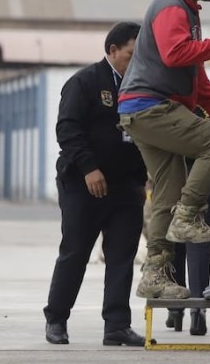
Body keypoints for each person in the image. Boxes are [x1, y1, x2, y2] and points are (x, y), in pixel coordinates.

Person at [118, 0, 210, 300]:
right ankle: (187, 218)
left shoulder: (184, 9)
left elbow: (197, 80)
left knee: (166, 194)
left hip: (140, 110)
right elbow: (175, 54)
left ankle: (154, 274)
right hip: (151, 106)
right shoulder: (172, 4)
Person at [43, 22, 149, 347]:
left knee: (122, 256)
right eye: (131, 54)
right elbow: (67, 130)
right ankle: (56, 319)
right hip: (83, 184)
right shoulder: (85, 82)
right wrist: (89, 168)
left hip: (126, 186)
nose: (137, 61)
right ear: (113, 50)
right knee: (75, 251)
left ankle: (117, 325)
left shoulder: (144, 86)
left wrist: (142, 180)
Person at [166, 106, 210, 335]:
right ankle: (198, 310)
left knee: (174, 244)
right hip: (205, 185)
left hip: (174, 183)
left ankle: (176, 308)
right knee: (199, 246)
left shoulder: (168, 105)